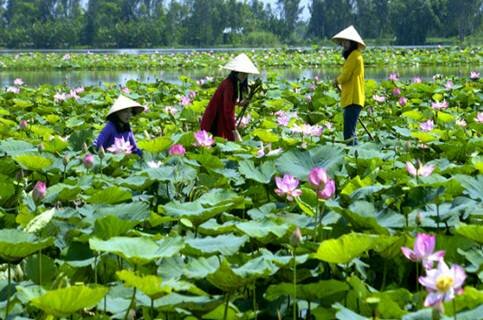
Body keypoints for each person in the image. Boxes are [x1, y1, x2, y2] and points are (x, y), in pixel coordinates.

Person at [200, 53, 259, 141]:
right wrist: (234, 131)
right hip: (214, 120)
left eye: (246, 74)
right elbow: (228, 111)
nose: (245, 76)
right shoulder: (229, 85)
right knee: (221, 143)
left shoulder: (230, 83)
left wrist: (239, 103)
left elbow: (228, 103)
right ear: (236, 73)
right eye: (243, 74)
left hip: (218, 117)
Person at [332, 25, 365, 145]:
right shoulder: (355, 55)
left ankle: (354, 155)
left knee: (349, 134)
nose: (344, 44)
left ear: (353, 42)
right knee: (350, 132)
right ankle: (355, 154)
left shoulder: (354, 56)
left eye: (347, 41)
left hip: (353, 98)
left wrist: (336, 81)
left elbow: (345, 76)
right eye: (343, 41)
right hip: (354, 98)